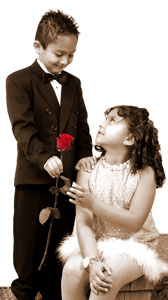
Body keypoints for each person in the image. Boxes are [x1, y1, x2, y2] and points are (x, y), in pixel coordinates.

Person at [6, 10, 93, 300]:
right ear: (38, 47)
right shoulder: (17, 81)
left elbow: (81, 127)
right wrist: (44, 157)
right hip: (32, 181)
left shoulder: (74, 83)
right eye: (59, 54)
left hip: (68, 184)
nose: (65, 61)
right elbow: (23, 129)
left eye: (71, 55)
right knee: (29, 257)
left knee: (61, 254)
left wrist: (85, 160)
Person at [59, 105, 168, 300]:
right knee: (72, 270)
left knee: (105, 278)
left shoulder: (145, 173)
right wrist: (92, 262)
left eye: (112, 121)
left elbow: (135, 222)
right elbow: (84, 224)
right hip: (97, 241)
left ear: (130, 138)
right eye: (105, 118)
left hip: (136, 243)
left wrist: (93, 203)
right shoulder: (88, 169)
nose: (102, 123)